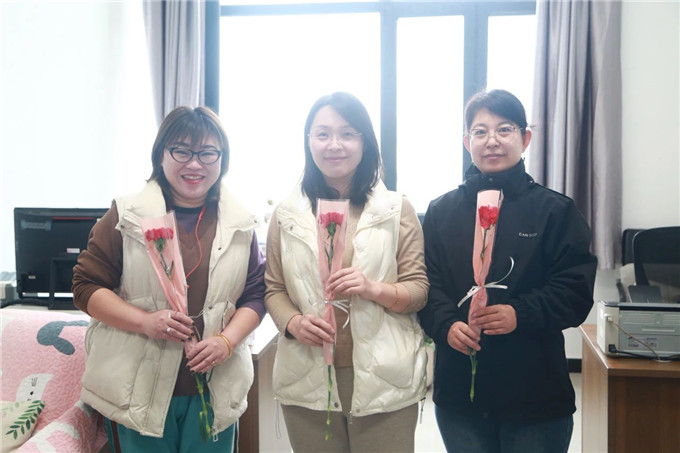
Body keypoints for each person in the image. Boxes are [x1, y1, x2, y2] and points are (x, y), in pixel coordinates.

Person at [72, 106, 266, 453]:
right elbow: (86, 287)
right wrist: (144, 321)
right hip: (137, 393)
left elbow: (255, 294)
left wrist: (226, 341)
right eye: (182, 151)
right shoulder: (126, 216)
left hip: (215, 391)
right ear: (161, 154)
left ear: (222, 159)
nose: (195, 164)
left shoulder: (240, 223)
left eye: (208, 153)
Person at [418, 89, 597, 453]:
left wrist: (520, 313)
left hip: (535, 395)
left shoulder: (555, 211)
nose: (492, 141)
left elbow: (574, 291)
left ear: (525, 138)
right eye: (480, 132)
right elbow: (427, 284)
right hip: (460, 395)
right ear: (467, 142)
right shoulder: (441, 211)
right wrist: (446, 324)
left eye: (504, 129)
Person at [265, 91, 429, 452]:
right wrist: (293, 323)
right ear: (308, 140)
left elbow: (418, 290)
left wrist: (373, 288)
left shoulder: (396, 209)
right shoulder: (287, 214)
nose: (334, 144)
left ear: (364, 142)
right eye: (322, 134)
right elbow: (274, 289)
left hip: (384, 376)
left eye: (347, 133)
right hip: (307, 375)